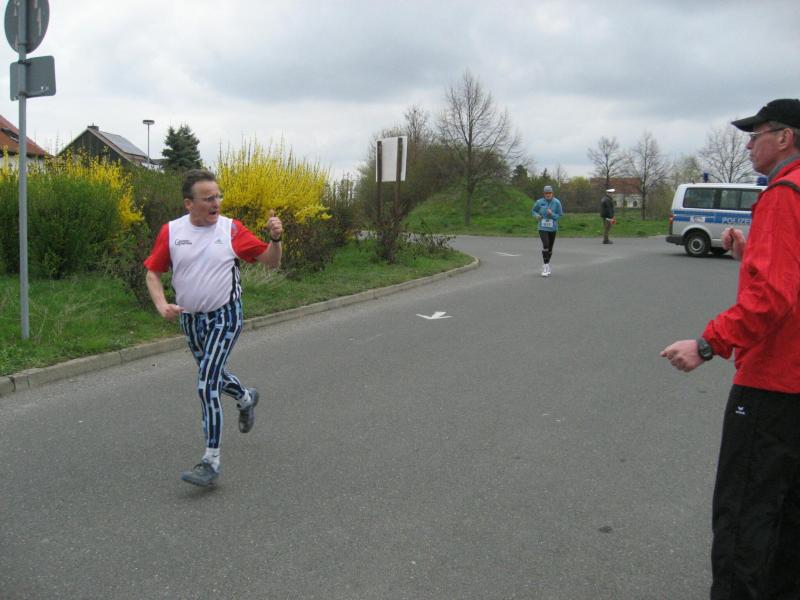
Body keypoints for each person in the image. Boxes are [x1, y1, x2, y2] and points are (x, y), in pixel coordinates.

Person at [660, 98, 800, 599]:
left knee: (744, 517)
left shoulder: (784, 194)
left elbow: (774, 298)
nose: (748, 145)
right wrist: (752, 256)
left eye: (755, 135)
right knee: (788, 520)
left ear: (784, 137)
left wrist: (707, 344)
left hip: (773, 383)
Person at [143, 168, 283, 487]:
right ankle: (245, 397)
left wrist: (276, 239)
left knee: (206, 384)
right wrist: (161, 305)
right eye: (207, 198)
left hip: (225, 315)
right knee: (214, 376)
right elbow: (153, 273)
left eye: (218, 196)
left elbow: (272, 261)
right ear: (188, 204)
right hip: (190, 319)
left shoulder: (230, 229)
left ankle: (211, 461)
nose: (215, 203)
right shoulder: (172, 231)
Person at [531, 185, 563, 277]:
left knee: (550, 248)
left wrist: (552, 214)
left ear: (552, 193)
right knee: (545, 245)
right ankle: (545, 266)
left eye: (549, 193)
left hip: (552, 228)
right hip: (542, 227)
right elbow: (533, 211)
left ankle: (547, 264)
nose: (548, 194)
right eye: (546, 193)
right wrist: (537, 216)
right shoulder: (539, 202)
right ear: (544, 194)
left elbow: (560, 215)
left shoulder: (557, 202)